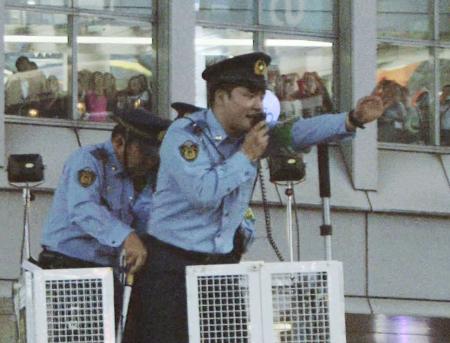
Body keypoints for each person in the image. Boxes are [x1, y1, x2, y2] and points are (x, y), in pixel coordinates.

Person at [135, 52, 383, 342]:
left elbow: (298, 131)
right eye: (249, 95)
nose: (257, 105)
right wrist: (246, 156)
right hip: (171, 267)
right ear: (221, 97)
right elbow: (202, 193)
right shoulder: (186, 134)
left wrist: (352, 119)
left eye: (261, 95)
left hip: (221, 268)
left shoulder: (250, 134)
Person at [38, 107, 171, 323]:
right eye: (145, 155)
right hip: (69, 268)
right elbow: (84, 208)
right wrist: (127, 236)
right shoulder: (88, 161)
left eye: (154, 157)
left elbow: (146, 214)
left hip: (107, 271)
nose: (150, 162)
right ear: (119, 142)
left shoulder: (140, 174)